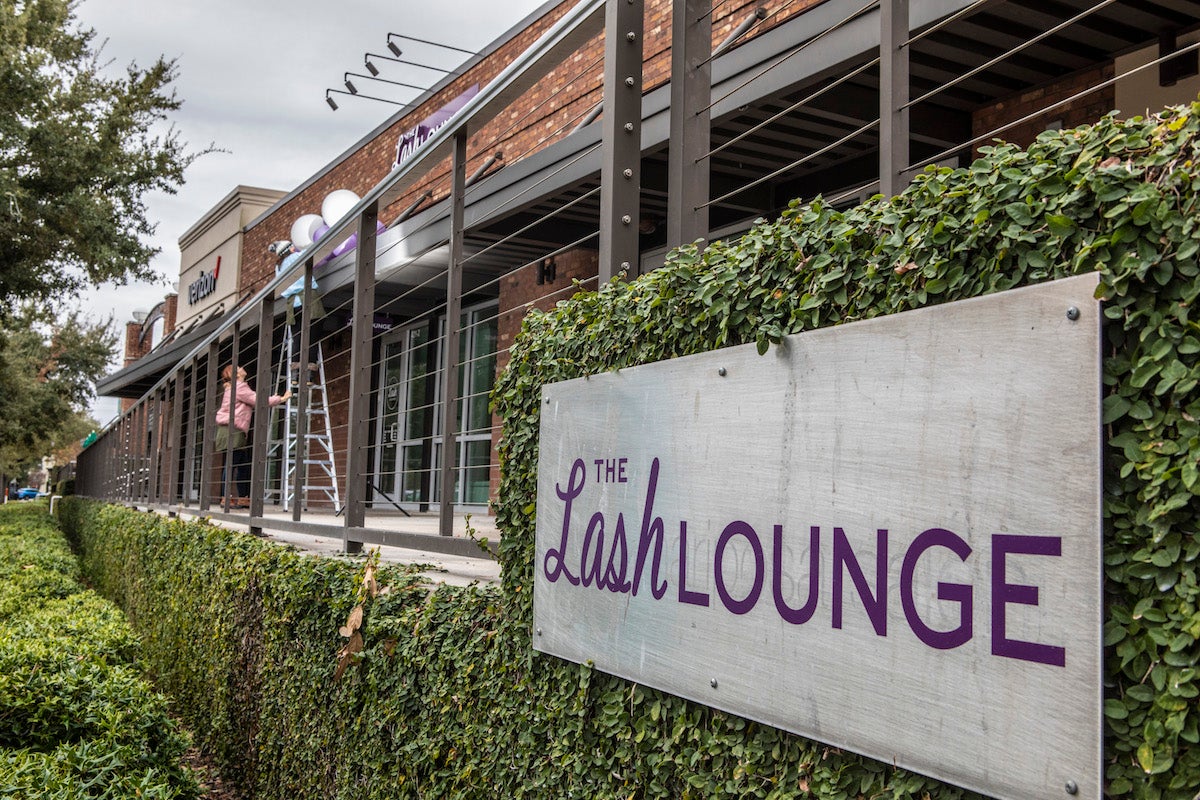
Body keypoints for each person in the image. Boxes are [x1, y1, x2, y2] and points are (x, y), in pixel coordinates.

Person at [214, 365, 290, 508]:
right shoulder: (239, 388)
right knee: (233, 463)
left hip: (232, 429)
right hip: (233, 430)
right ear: (234, 374)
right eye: (238, 367)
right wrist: (281, 398)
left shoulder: (236, 388)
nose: (242, 368)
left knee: (242, 464)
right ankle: (227, 499)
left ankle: (242, 498)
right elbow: (258, 400)